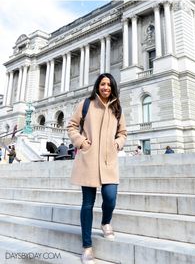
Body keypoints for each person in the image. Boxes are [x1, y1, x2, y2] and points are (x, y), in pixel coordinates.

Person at [67, 73, 127, 264]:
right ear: (97, 86)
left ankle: (105, 222)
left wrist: (117, 143)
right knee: (87, 204)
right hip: (89, 160)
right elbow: (72, 126)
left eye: (109, 84)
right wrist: (82, 142)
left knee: (110, 197)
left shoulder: (117, 107)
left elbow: (123, 132)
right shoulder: (86, 104)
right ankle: (87, 247)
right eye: (102, 84)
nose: (106, 87)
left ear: (113, 87)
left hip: (109, 161)